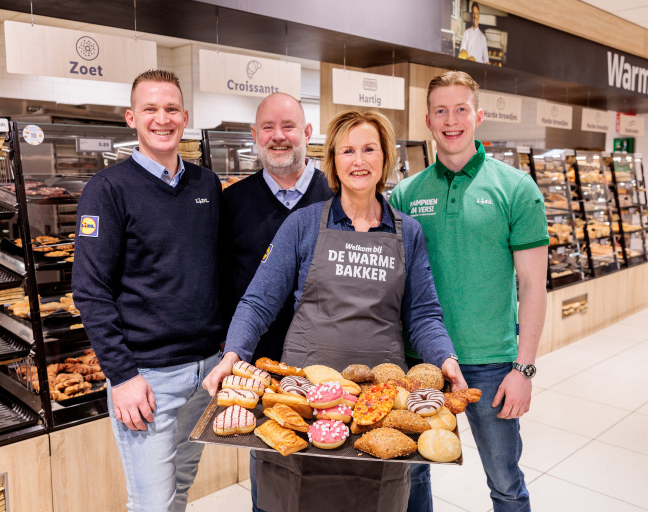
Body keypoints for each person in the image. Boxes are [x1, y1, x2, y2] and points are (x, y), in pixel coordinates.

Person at [204, 109, 466, 512]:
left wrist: (445, 359)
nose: (358, 161)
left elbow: (423, 314)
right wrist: (232, 356)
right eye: (347, 150)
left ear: (384, 159)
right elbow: (258, 301)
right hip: (301, 398)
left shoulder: (408, 232)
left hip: (377, 406)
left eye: (368, 149)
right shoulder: (303, 224)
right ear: (333, 160)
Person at [389, 70, 548, 512]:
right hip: (420, 361)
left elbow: (534, 285)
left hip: (491, 365)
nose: (451, 119)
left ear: (478, 116)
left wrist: (525, 370)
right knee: (412, 473)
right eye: (441, 110)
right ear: (427, 120)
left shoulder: (516, 189)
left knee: (505, 481)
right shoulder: (405, 194)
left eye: (461, 109)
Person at [73, 69, 223, 512]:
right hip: (148, 380)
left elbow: (213, 271)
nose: (163, 119)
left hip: (206, 373)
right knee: (152, 504)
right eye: (151, 110)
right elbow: (89, 289)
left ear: (185, 116)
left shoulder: (206, 185)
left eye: (172, 109)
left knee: (179, 489)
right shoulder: (107, 190)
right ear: (131, 118)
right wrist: (122, 375)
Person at [220, 92, 333, 512]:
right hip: (262, 363)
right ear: (254, 135)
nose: (278, 136)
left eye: (288, 127)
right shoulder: (231, 202)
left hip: (326, 359)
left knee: (330, 467)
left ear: (307, 133)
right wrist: (228, 343)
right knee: (271, 472)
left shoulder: (337, 195)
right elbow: (222, 280)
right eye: (268, 128)